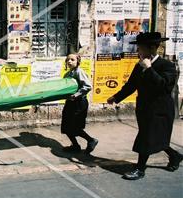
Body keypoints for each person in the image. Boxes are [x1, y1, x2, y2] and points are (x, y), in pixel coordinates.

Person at [107, 32, 183, 180]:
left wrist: (149, 69)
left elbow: (164, 86)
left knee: (146, 137)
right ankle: (175, 156)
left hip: (160, 110)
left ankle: (140, 169)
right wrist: (116, 97)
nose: (138, 51)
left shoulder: (167, 66)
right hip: (144, 109)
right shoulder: (139, 65)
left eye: (140, 47)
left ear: (152, 47)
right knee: (154, 137)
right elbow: (131, 85)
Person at [61, 53, 99, 154]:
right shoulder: (67, 74)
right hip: (70, 103)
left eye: (72, 60)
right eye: (68, 60)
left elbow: (87, 86)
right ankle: (75, 146)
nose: (69, 61)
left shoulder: (79, 72)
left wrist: (76, 95)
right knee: (66, 125)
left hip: (79, 103)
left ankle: (91, 140)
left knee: (75, 126)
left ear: (78, 61)